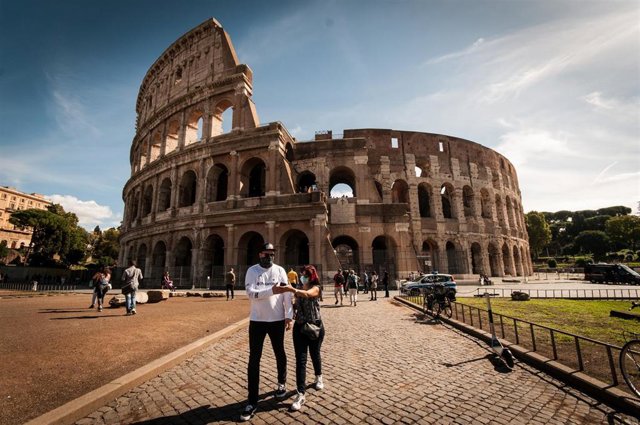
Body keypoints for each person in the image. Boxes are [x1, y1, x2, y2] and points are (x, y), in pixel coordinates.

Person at [240, 243, 294, 422]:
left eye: (272, 254)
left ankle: (281, 383)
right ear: (260, 254)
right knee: (254, 359)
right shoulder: (252, 271)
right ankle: (252, 400)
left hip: (277, 319)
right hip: (257, 320)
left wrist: (289, 316)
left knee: (280, 353)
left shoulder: (280, 270)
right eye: (266, 254)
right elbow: (250, 293)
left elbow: (286, 294)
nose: (270, 257)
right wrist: (272, 290)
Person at [279, 265, 325, 411]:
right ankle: (300, 393)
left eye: (305, 275)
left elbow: (308, 294)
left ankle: (319, 376)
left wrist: (291, 289)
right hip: (300, 327)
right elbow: (295, 305)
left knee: (315, 354)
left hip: (314, 326)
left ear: (311, 276)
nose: (302, 277)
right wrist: (289, 314)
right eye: (302, 274)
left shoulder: (316, 287)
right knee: (301, 360)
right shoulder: (299, 288)